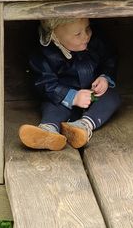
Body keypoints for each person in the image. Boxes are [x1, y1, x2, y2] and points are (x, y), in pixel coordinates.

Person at [19, 17, 121, 151]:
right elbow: (44, 83)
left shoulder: (95, 42)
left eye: (88, 28)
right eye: (78, 34)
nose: (86, 36)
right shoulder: (44, 54)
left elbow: (109, 59)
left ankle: (82, 127)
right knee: (52, 105)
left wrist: (104, 78)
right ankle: (48, 130)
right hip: (63, 98)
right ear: (55, 36)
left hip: (92, 96)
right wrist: (72, 97)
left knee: (112, 97)